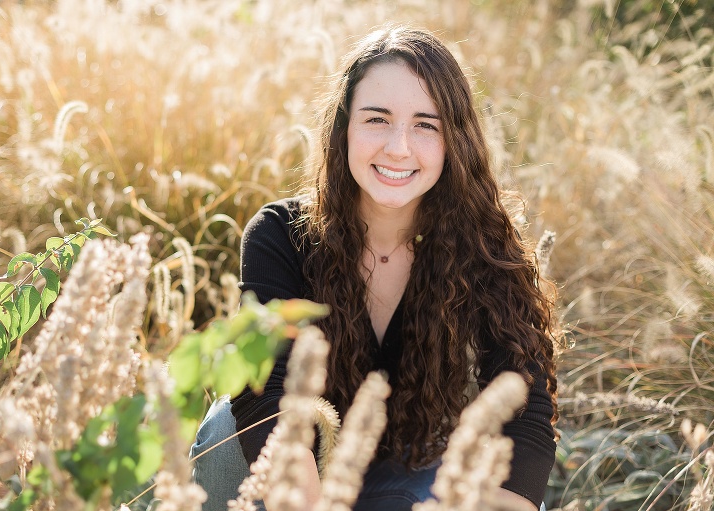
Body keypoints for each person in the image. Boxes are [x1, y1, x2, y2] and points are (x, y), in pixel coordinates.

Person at [191, 25, 558, 511]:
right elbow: (265, 399)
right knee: (222, 428)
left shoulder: (484, 245)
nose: (399, 147)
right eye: (377, 119)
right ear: (344, 127)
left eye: (426, 124)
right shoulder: (281, 235)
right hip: (290, 470)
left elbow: (527, 415)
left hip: (407, 472)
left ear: (455, 141)